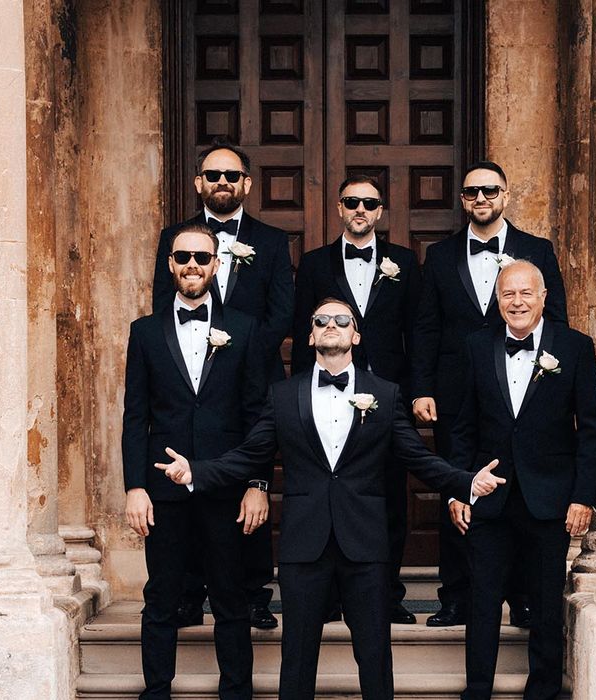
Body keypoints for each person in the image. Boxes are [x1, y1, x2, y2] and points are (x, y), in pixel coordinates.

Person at [155, 298, 506, 700]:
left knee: (374, 658)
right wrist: (196, 472)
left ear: (356, 334)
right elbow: (249, 456)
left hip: (366, 545)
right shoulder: (283, 395)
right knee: (298, 659)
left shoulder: (386, 394)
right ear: (310, 336)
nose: (331, 325)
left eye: (342, 320)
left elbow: (419, 459)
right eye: (321, 320)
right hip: (304, 545)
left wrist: (466, 483)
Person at [411, 160, 569, 627]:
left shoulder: (536, 249)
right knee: (456, 488)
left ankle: (519, 598)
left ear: (505, 195)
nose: (481, 199)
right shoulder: (439, 255)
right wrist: (420, 386)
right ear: (462, 200)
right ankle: (456, 596)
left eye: (490, 191)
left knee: (518, 492)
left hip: (518, 391)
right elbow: (425, 326)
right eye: (472, 192)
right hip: (456, 392)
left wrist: (553, 386)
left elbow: (556, 319)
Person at [153, 137, 294, 629]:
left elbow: (282, 312)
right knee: (186, 481)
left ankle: (253, 593)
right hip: (189, 382)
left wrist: (240, 349)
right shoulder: (176, 239)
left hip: (251, 378)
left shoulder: (273, 242)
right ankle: (190, 594)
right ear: (199, 183)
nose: (222, 183)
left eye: (231, 176)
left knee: (247, 480)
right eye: (213, 175)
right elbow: (161, 309)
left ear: (246, 185)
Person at [123, 224, 268, 699]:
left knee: (231, 598)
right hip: (161, 491)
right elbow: (136, 415)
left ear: (216, 265)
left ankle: (236, 692)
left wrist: (257, 484)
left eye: (201, 258)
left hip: (226, 488)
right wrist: (134, 488)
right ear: (170, 263)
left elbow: (258, 417)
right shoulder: (144, 333)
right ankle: (156, 691)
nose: (192, 265)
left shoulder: (245, 329)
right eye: (182, 256)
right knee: (161, 597)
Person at [450, 259, 596, 700]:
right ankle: (477, 689)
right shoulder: (476, 346)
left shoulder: (574, 348)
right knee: (482, 600)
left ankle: (543, 690)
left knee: (544, 601)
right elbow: (462, 427)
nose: (516, 302)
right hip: (490, 495)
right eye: (507, 294)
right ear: (498, 301)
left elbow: (591, 430)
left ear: (542, 298)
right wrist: (459, 488)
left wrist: (583, 496)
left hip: (549, 496)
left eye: (525, 293)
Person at [291, 175, 421, 623]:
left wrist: (418, 391)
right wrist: (299, 399)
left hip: (387, 395)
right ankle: (327, 598)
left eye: (369, 203)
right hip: (326, 390)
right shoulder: (313, 264)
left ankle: (388, 595)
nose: (360, 209)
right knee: (326, 493)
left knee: (390, 496)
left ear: (380, 211)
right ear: (340, 209)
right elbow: (301, 329)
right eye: (352, 202)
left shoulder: (404, 261)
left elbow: (418, 331)